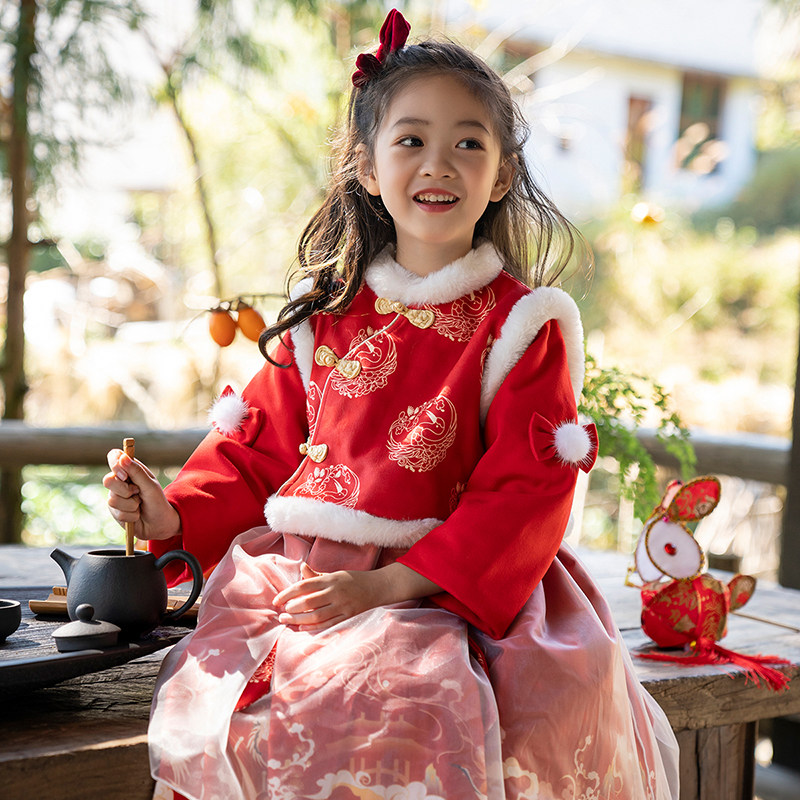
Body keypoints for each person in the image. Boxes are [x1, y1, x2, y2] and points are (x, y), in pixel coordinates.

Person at [105, 10, 679, 799]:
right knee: (233, 709)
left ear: (503, 173)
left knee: (408, 703)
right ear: (368, 168)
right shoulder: (323, 316)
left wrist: (384, 588)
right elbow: (258, 454)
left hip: (452, 589)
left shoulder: (521, 325)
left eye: (468, 142)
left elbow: (524, 492)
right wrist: (167, 515)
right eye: (410, 140)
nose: (437, 163)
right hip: (306, 576)